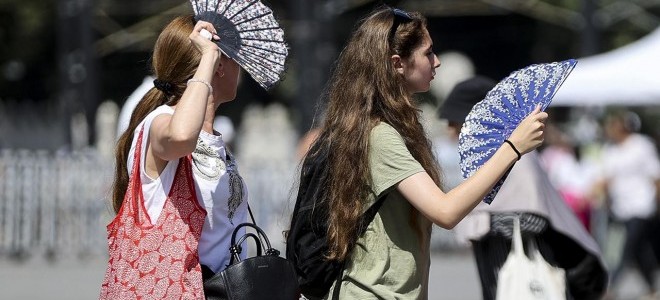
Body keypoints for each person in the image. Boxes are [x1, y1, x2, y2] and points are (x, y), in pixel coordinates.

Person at [295, 7, 549, 299]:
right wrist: (513, 148)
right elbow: (445, 211)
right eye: (428, 53)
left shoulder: (383, 128)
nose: (437, 61)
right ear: (397, 63)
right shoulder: (380, 136)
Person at [100, 16, 248, 299]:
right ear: (216, 66)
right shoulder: (159, 122)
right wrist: (208, 59)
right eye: (233, 57)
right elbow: (181, 137)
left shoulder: (218, 143)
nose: (239, 66)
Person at [438, 76, 608, 300]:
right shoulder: (488, 157)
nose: (450, 130)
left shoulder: (516, 154)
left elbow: (534, 220)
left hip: (527, 273)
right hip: (499, 274)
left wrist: (481, 221)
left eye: (455, 121)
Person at [594, 110, 660, 299]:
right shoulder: (610, 150)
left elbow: (655, 175)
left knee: (625, 247)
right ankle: (652, 287)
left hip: (641, 205)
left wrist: (657, 202)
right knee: (639, 249)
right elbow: (606, 178)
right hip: (620, 207)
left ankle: (609, 288)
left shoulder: (641, 146)